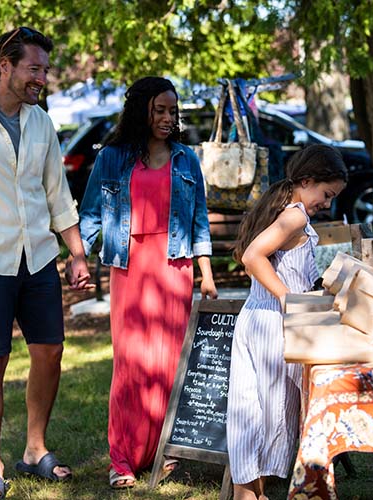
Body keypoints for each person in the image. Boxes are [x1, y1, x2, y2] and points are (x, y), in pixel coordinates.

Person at [0, 26, 93, 500]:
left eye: (45, 69)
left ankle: (35, 448)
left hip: (39, 256)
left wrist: (76, 253)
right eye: (33, 68)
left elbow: (57, 194)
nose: (42, 78)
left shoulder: (42, 122)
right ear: (6, 66)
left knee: (50, 352)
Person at [78, 76, 218, 489]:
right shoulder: (112, 158)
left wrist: (206, 274)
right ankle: (121, 458)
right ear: (142, 110)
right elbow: (88, 215)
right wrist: (74, 258)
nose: (167, 118)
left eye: (172, 111)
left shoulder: (186, 160)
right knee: (131, 363)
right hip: (130, 267)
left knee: (169, 362)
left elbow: (199, 222)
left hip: (175, 267)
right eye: (160, 110)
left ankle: (163, 451)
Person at [226, 144, 348, 500]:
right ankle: (248, 495)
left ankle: (250, 494)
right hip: (271, 325)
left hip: (259, 320)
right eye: (326, 194)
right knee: (264, 414)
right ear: (306, 180)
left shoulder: (285, 209)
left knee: (253, 412)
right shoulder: (294, 215)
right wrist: (287, 298)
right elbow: (253, 257)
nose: (327, 203)